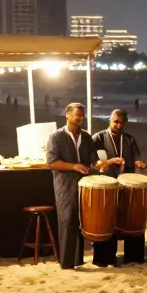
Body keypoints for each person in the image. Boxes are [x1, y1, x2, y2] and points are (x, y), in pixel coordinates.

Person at [46, 103, 102, 270]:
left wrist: (103, 164)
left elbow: (94, 159)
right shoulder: (56, 137)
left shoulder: (86, 137)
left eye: (82, 115)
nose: (80, 118)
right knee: (67, 220)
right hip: (65, 184)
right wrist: (74, 166)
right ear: (67, 115)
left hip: (84, 183)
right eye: (77, 115)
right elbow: (52, 162)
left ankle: (77, 260)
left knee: (81, 220)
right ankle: (66, 262)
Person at [91, 109, 147, 266]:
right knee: (107, 221)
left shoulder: (129, 139)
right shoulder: (99, 138)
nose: (118, 125)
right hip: (107, 184)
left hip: (126, 185)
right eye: (115, 121)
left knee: (130, 219)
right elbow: (93, 162)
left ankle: (133, 257)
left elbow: (136, 157)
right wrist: (110, 162)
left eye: (121, 123)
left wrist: (138, 163)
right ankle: (106, 258)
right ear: (110, 120)